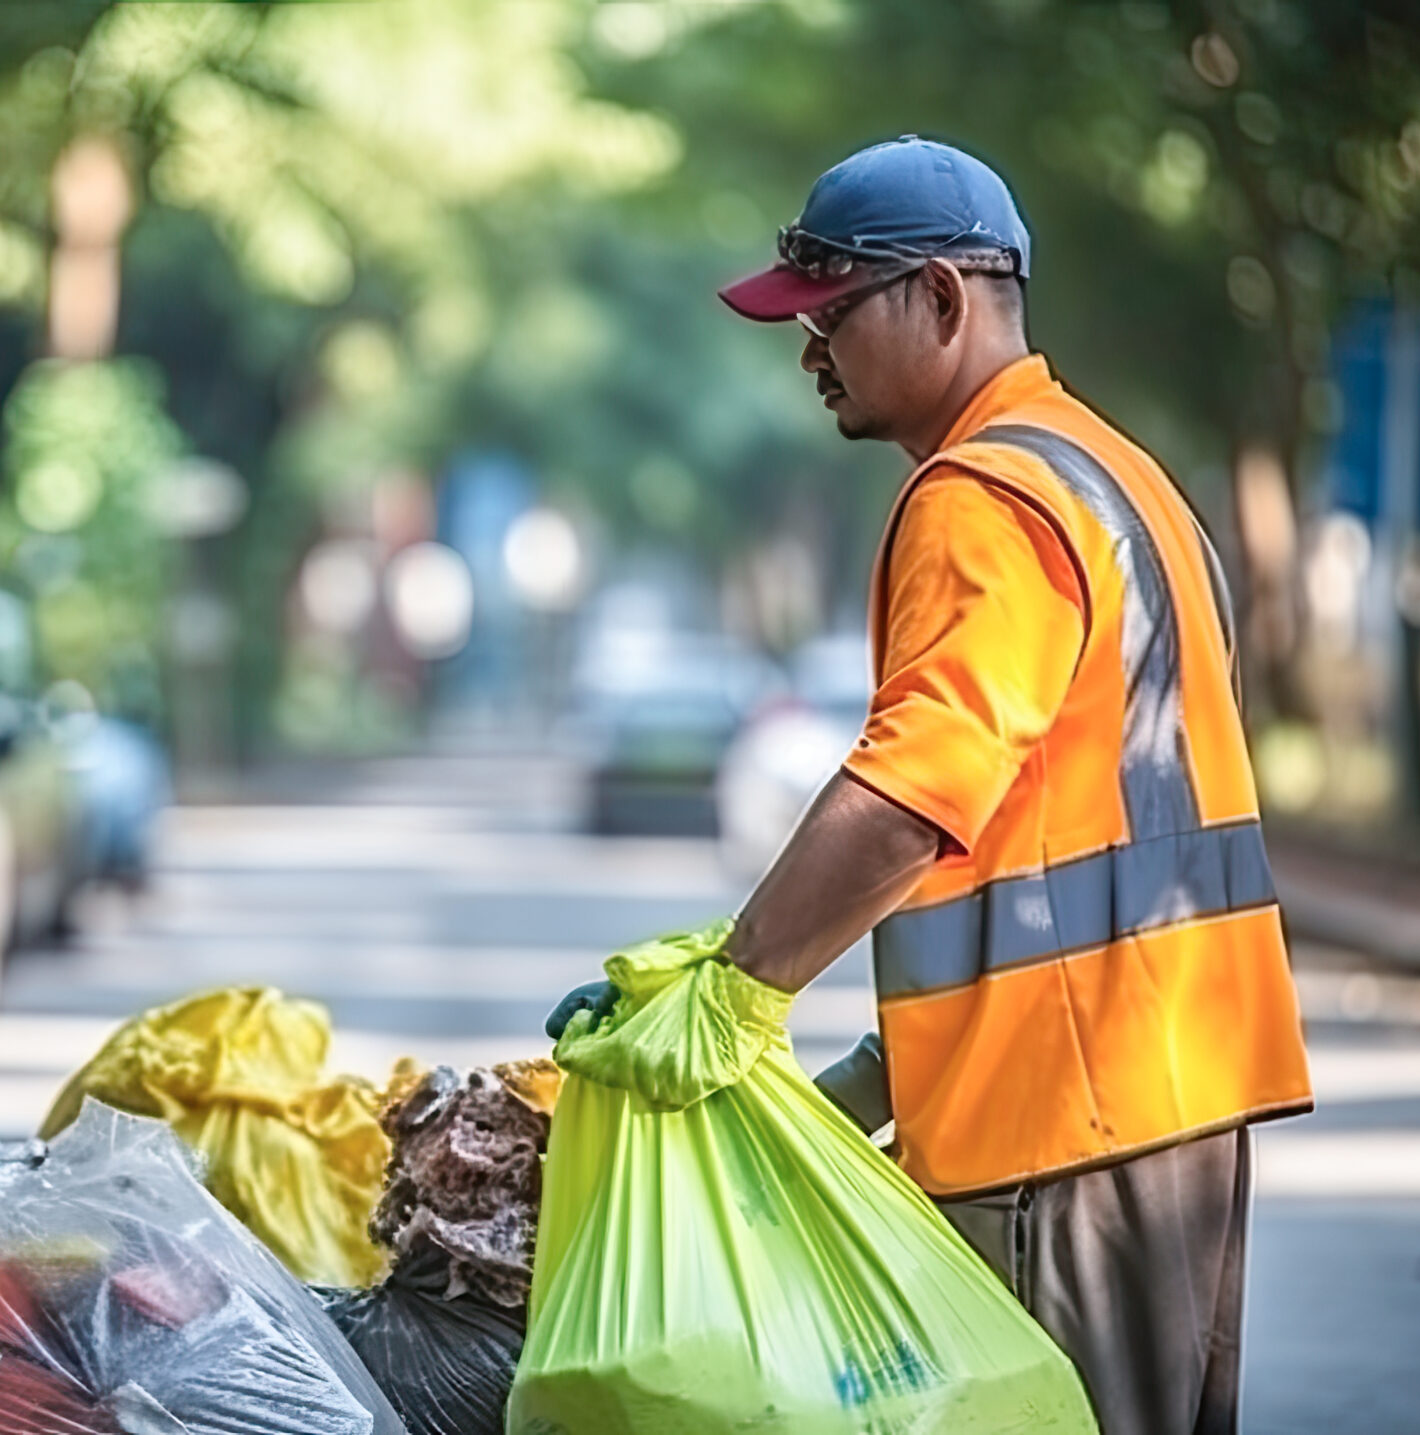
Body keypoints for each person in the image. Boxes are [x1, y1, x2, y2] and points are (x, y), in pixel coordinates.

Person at [547, 136, 1313, 1435]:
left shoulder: (981, 497)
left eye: (831, 315)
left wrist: (736, 993)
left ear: (945, 301)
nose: (808, 354)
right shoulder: (1115, 475)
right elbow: (1065, 824)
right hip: (1173, 1093)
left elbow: (923, 783)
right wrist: (874, 1073)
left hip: (1064, 1124)